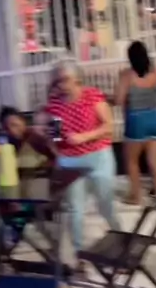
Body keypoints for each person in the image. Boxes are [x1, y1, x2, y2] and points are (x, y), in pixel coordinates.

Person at [45, 58, 120, 254]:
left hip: (98, 156)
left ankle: (122, 242)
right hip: (70, 161)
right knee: (75, 209)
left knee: (105, 205)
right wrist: (57, 152)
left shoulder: (92, 96)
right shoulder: (55, 104)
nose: (61, 85)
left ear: (77, 79)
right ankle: (78, 253)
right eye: (57, 81)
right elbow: (54, 137)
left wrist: (84, 136)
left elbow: (108, 126)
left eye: (64, 80)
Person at [115, 40, 156, 204]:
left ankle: (135, 196)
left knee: (132, 162)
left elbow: (119, 100)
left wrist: (109, 97)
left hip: (136, 120)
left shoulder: (127, 75)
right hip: (155, 117)